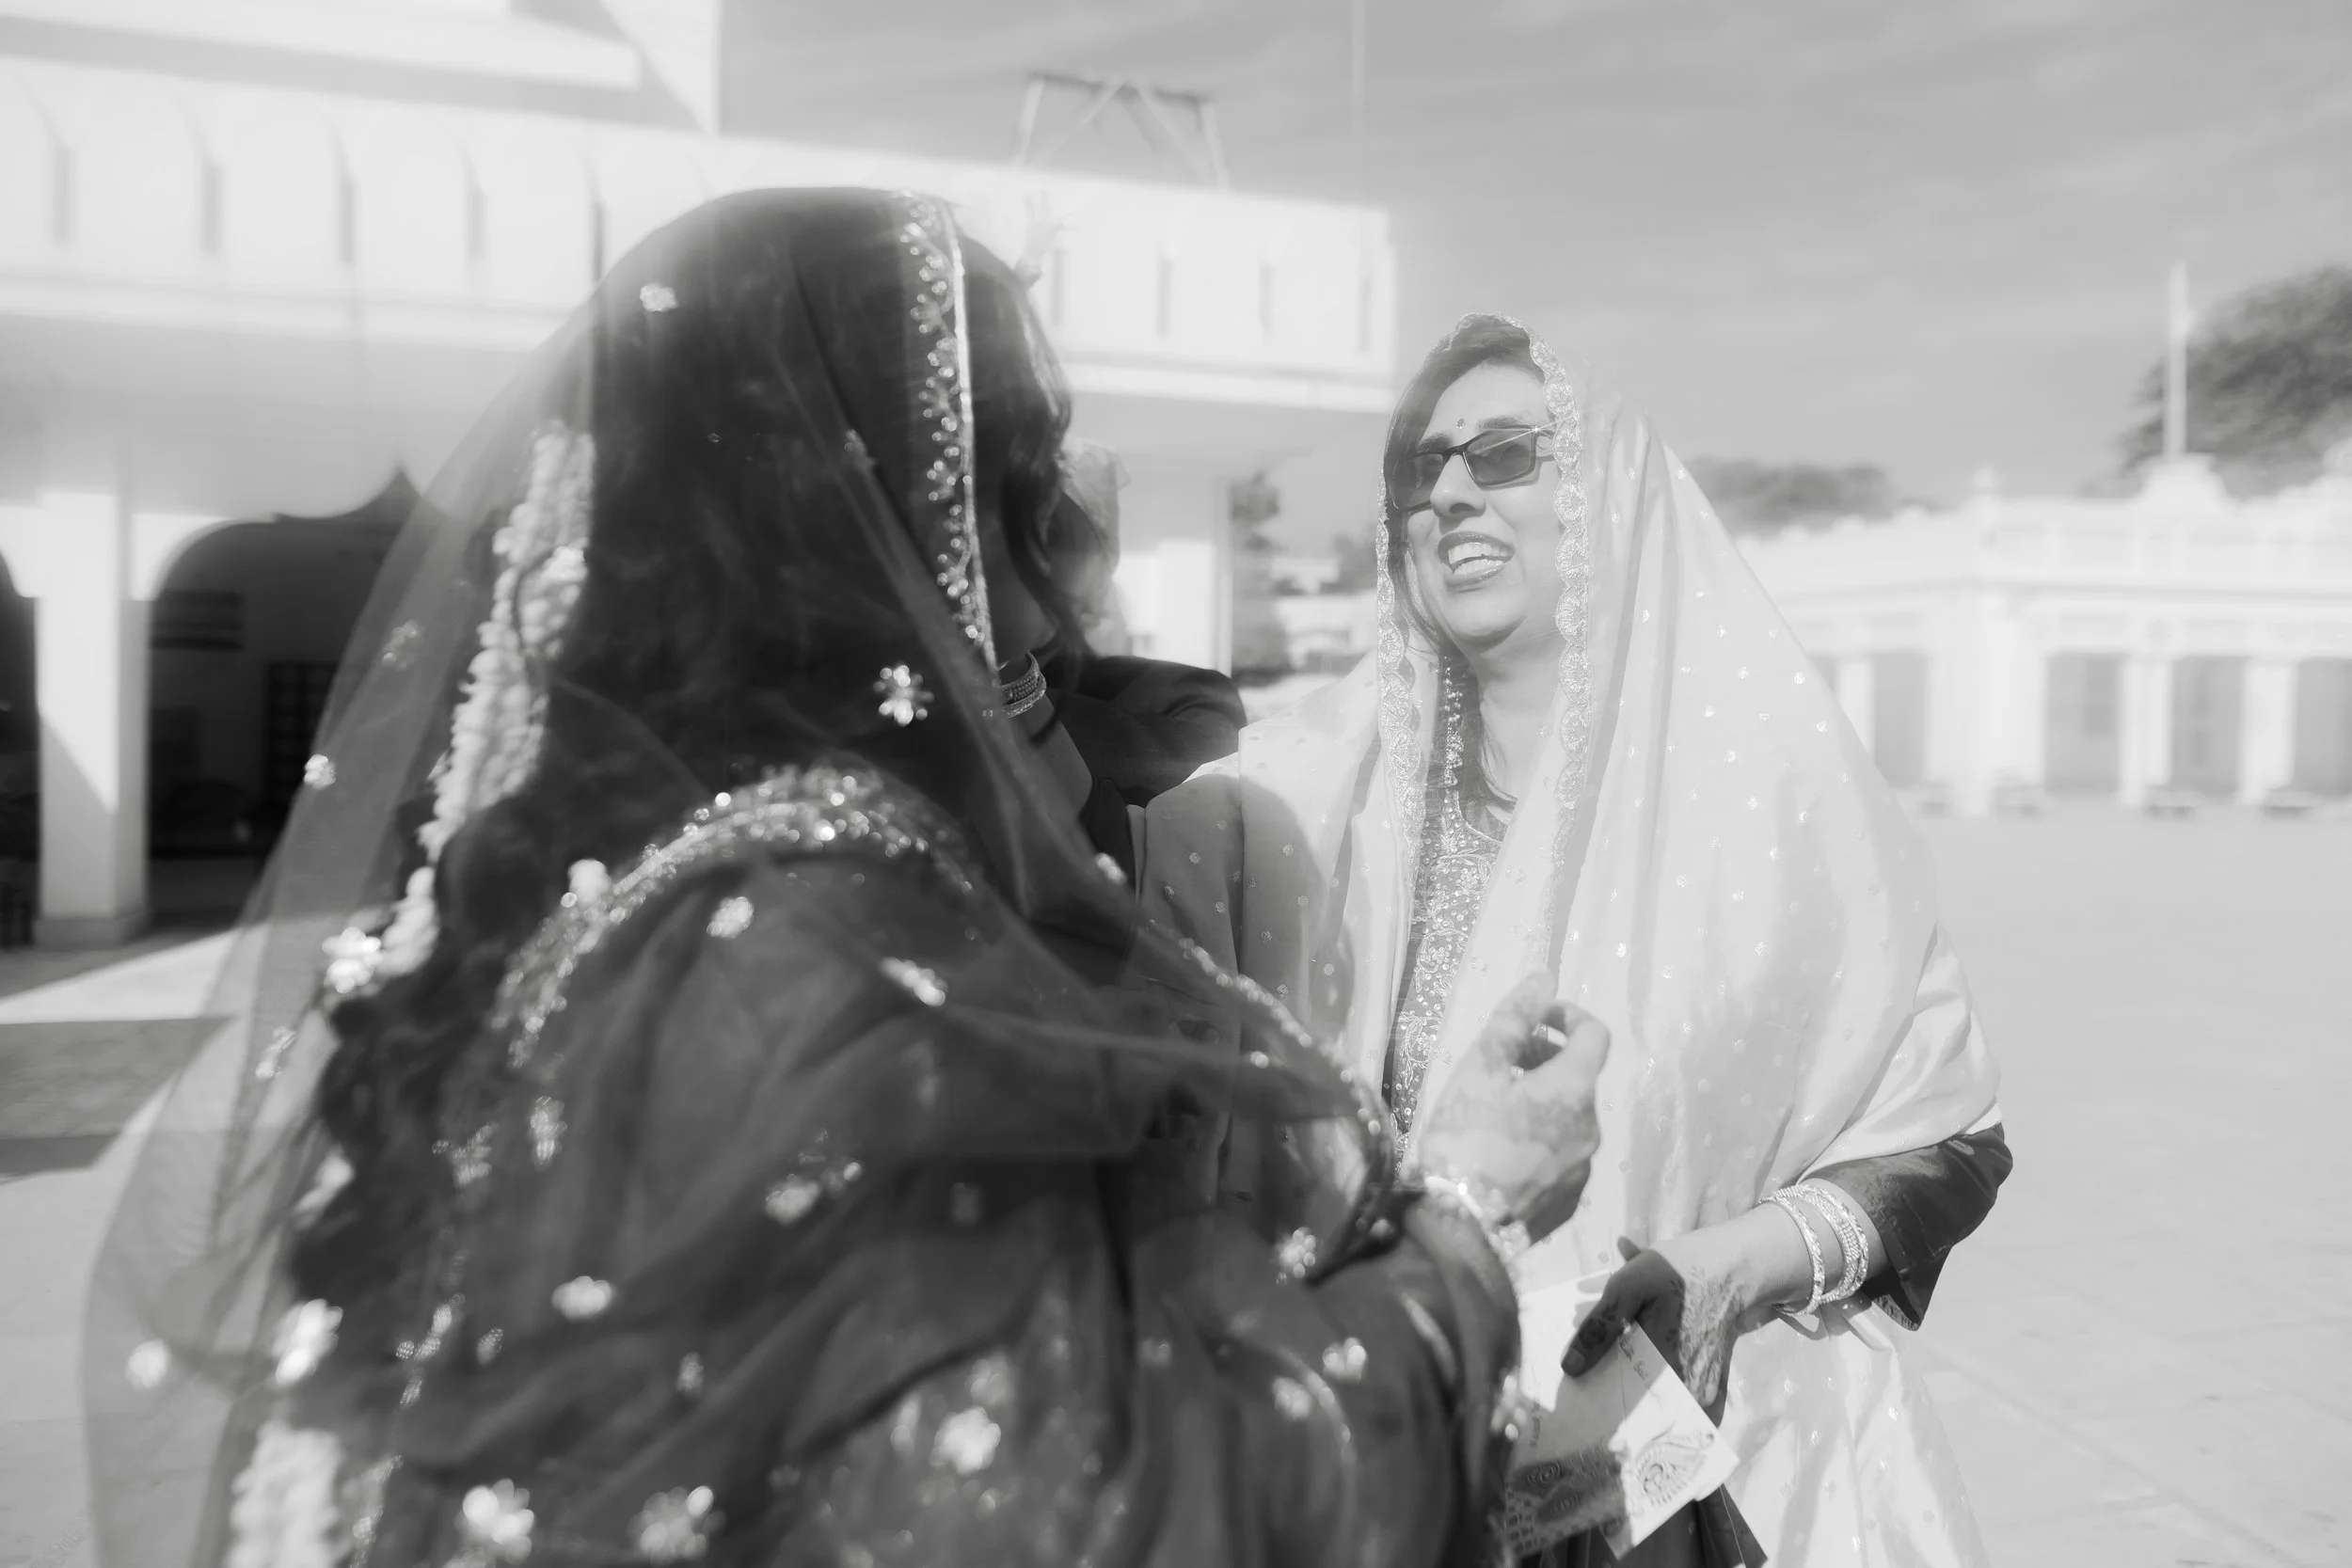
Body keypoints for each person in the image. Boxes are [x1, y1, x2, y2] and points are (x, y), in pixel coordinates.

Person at [79, 197, 1618, 1568]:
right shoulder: (823, 956)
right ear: (878, 535)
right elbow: (1112, 1517)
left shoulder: (621, 883)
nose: (1060, 585)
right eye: (1014, 494)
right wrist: (1473, 1212)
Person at [1135, 315, 2011, 1566]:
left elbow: (1947, 1141)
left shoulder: (1769, 801)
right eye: (1418, 470)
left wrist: (1730, 1268)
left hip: (1710, 1467)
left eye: (1502, 454)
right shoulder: (1306, 797)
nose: (1446, 492)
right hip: (1396, 1445)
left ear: (1602, 496)